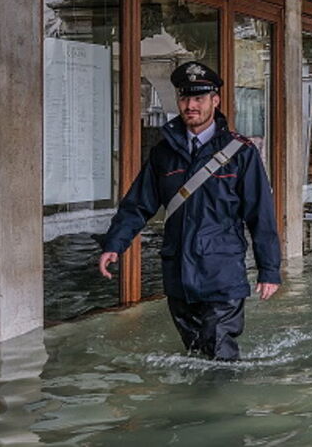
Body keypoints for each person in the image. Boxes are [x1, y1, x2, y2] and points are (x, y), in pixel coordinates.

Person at [96, 61, 281, 361]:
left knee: (220, 358)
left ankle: (221, 408)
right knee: (195, 354)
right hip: (178, 275)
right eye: (185, 98)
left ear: (215, 101)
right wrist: (114, 244)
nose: (190, 105)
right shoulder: (163, 153)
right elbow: (137, 204)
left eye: (198, 98)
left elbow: (261, 215)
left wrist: (269, 269)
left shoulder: (241, 153)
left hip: (222, 274)